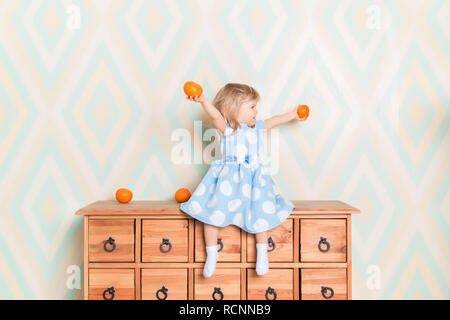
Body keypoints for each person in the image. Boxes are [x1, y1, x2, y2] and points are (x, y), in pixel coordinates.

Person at [180, 83, 306, 278]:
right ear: (234, 108)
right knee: (211, 213)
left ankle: (262, 252)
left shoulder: (256, 128)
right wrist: (203, 100)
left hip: (254, 180)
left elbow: (274, 121)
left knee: (260, 213)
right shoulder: (227, 128)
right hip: (227, 181)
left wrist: (293, 115)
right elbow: (214, 115)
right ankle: (212, 254)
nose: (257, 111)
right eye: (252, 107)